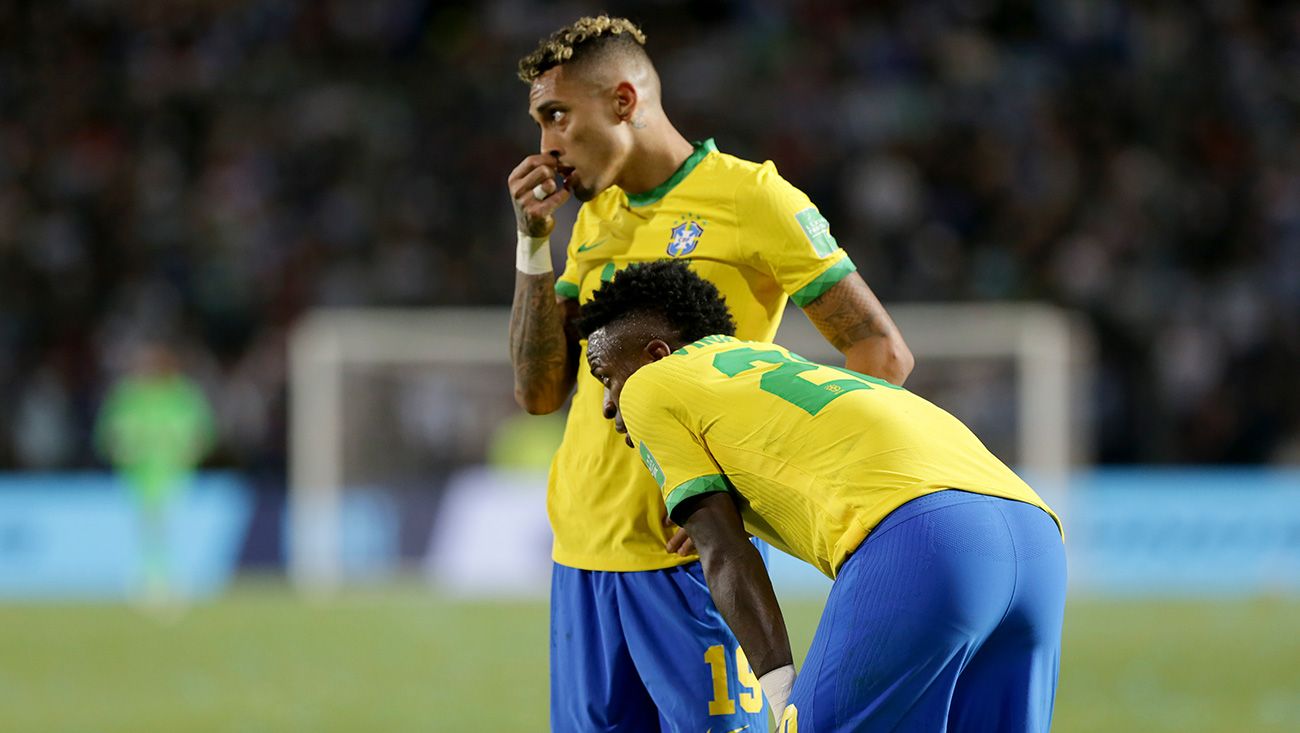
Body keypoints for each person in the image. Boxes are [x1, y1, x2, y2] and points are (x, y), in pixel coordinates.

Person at [506, 15, 914, 730]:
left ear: (624, 101)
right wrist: (533, 246)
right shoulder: (595, 220)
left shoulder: (753, 198)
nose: (546, 144)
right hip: (581, 558)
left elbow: (881, 353)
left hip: (690, 559)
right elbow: (539, 391)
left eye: (557, 115)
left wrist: (767, 484)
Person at [578, 260, 1067, 733]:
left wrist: (785, 699)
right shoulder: (766, 364)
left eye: (606, 378)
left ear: (657, 355)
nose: (606, 405)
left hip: (925, 540)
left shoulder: (649, 387)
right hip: (1035, 537)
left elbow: (723, 554)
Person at [94, 342, 216, 608]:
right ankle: (153, 577)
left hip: (172, 473)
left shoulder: (179, 396)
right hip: (142, 474)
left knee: (162, 523)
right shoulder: (130, 397)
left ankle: (163, 576)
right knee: (151, 523)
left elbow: (200, 433)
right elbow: (112, 435)